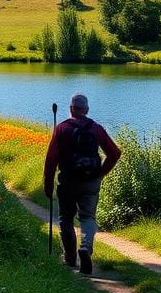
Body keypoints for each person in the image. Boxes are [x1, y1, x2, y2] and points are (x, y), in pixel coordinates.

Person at [43, 93, 121, 275]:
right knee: (87, 217)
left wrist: (48, 186)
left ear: (71, 109)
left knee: (66, 220)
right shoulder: (96, 128)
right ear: (86, 110)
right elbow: (115, 153)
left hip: (68, 182)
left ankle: (70, 258)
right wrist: (100, 174)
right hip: (90, 181)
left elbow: (51, 160)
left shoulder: (61, 129)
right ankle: (85, 247)